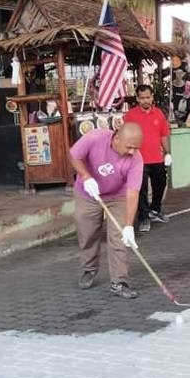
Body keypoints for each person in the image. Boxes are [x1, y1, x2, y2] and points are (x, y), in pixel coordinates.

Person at [69, 123, 145, 299]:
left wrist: (128, 226)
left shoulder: (136, 159)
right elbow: (74, 155)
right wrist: (86, 177)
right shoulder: (95, 137)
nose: (133, 152)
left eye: (136, 148)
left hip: (117, 197)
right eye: (129, 147)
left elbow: (133, 193)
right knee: (87, 233)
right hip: (88, 193)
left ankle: (119, 281)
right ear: (117, 138)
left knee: (119, 238)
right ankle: (89, 269)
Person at [122, 84, 172, 232]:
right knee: (141, 190)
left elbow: (164, 135)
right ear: (137, 98)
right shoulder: (130, 116)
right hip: (138, 160)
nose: (145, 100)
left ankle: (155, 210)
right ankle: (143, 217)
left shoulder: (159, 114)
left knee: (160, 184)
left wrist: (168, 153)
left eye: (148, 97)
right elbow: (125, 135)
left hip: (157, 158)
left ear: (152, 97)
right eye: (142, 98)